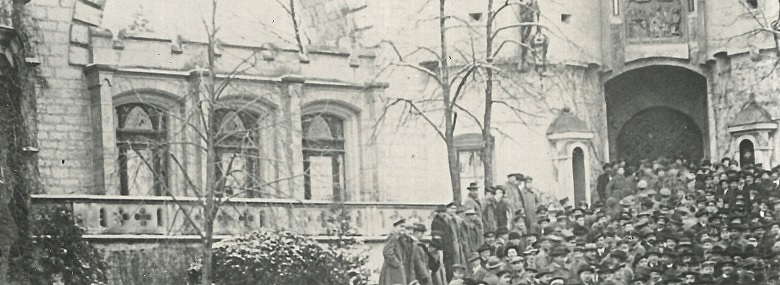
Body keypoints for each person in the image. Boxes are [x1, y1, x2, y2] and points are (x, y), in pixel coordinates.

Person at [379, 218, 410, 285]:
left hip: (396, 271)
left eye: (404, 227)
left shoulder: (400, 239)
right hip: (391, 271)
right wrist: (398, 264)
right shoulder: (393, 238)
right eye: (401, 226)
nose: (403, 229)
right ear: (395, 227)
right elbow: (387, 253)